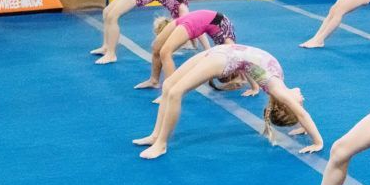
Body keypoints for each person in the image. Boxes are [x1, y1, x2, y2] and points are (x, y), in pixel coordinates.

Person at [132, 44, 323, 160]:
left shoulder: (279, 91)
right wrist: (305, 130)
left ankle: (162, 144)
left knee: (175, 92)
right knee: (168, 86)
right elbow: (299, 112)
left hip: (224, 59)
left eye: (298, 102)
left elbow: (301, 113)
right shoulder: (280, 86)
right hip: (223, 52)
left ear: (285, 106)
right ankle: (156, 135)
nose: (303, 99)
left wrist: (317, 141)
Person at [135, 10, 236, 91]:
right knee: (160, 49)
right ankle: (159, 84)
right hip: (200, 19)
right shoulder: (230, 48)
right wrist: (252, 84)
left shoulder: (224, 47)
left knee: (161, 50)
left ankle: (168, 88)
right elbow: (246, 61)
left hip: (194, 18)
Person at [91, 0, 190, 64]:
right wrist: (201, 46)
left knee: (112, 16)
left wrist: (189, 42)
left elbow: (193, 27)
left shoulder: (179, 14)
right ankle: (106, 47)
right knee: (107, 12)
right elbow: (193, 25)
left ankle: (111, 54)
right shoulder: (183, 12)